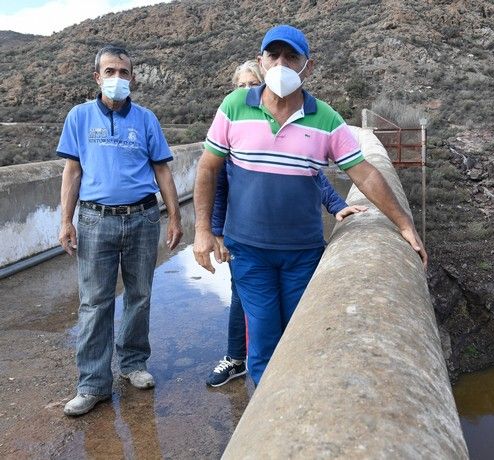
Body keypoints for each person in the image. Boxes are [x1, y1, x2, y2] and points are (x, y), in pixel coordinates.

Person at [193, 25, 427, 385]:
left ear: (308, 66)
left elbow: (363, 172)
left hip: (302, 253)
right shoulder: (235, 106)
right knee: (265, 342)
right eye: (274, 56)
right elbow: (208, 169)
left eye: (292, 57)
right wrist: (203, 231)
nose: (281, 64)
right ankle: (270, 423)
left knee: (300, 336)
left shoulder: (326, 118)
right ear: (262, 61)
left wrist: (404, 224)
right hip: (249, 253)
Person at [205, 60, 366, 386]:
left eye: (254, 83)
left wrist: (338, 206)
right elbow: (217, 187)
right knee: (253, 310)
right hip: (245, 241)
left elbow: (311, 176)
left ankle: (253, 367)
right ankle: (241, 364)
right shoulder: (233, 121)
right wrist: (214, 233)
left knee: (267, 313)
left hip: (291, 247)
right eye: (242, 85)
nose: (248, 90)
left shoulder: (298, 119)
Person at [57, 45, 183, 416]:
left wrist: (174, 217)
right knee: (94, 302)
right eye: (110, 71)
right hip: (96, 219)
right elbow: (72, 171)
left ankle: (133, 365)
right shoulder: (79, 117)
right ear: (97, 77)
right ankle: (93, 383)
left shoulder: (146, 119)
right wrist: (66, 220)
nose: (117, 79)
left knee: (139, 294)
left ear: (133, 78)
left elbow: (162, 170)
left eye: (124, 72)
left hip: (143, 218)